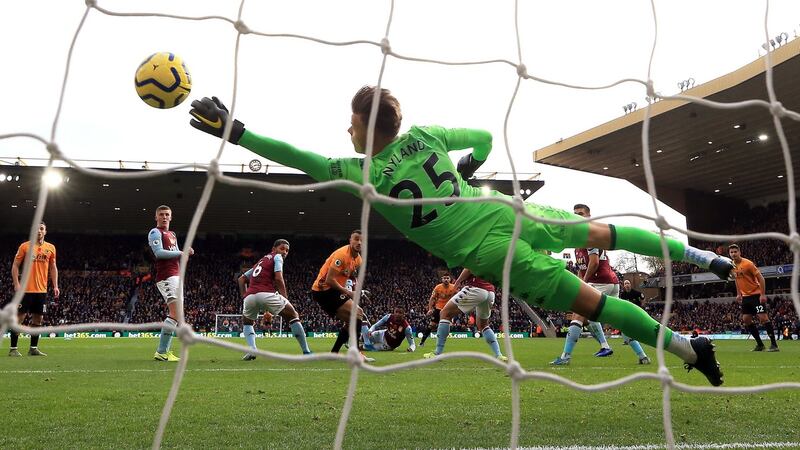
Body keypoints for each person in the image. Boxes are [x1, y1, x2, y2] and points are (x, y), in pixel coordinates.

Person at [188, 87, 734, 385]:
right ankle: (701, 255)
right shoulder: (427, 135)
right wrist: (469, 166)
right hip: (503, 210)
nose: (347, 131)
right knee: (603, 231)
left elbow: (300, 158)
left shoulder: (364, 173)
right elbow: (483, 139)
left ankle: (690, 349)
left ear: (366, 127)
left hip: (489, 252)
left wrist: (236, 131)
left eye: (351, 124)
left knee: (594, 306)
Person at [551, 205, 650, 365]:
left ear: (589, 216)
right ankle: (642, 355)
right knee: (616, 320)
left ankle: (565, 357)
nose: (577, 216)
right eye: (575, 214)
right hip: (610, 282)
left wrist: (583, 282)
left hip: (601, 281)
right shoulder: (579, 239)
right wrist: (580, 280)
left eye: (581, 214)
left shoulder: (589, 234)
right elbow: (583, 269)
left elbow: (594, 262)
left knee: (578, 314)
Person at [237, 239, 312, 360]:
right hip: (266, 293)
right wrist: (285, 298)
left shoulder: (261, 262)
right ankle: (307, 352)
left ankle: (252, 349)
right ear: (274, 249)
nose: (284, 252)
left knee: (247, 322)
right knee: (293, 315)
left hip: (250, 297)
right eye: (282, 248)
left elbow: (241, 279)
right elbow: (278, 278)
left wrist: (245, 297)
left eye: (287, 250)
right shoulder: (277, 257)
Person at [310, 230, 374, 361]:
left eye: (362, 240)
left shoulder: (358, 260)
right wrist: (348, 292)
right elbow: (329, 280)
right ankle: (356, 353)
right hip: (323, 290)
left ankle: (333, 354)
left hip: (332, 291)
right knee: (358, 312)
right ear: (350, 240)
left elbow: (351, 276)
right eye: (356, 239)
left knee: (352, 321)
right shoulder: (342, 255)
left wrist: (357, 290)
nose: (359, 242)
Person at [423, 268, 508, 361]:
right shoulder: (491, 258)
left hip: (476, 287)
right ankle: (498, 354)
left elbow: (469, 268)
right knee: (483, 325)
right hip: (490, 292)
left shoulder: (476, 254)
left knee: (444, 313)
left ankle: (437, 353)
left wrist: (456, 284)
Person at [148, 205, 193, 362]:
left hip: (176, 276)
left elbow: (176, 254)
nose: (164, 217)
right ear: (156, 217)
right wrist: (181, 252)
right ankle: (161, 351)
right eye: (161, 214)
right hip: (166, 276)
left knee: (177, 315)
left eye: (167, 214)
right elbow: (159, 253)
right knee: (174, 314)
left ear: (171, 217)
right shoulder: (155, 232)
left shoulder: (172, 234)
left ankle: (165, 351)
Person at [9, 222, 59, 357]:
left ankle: (33, 348)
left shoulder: (51, 248)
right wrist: (16, 284)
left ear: (45, 231)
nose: (39, 231)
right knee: (19, 318)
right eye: (36, 229)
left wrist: (55, 285)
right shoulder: (25, 246)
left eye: (41, 229)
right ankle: (13, 348)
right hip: (25, 290)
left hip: (41, 291)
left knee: (38, 320)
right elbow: (15, 265)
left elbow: (53, 267)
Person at [728, 244, 778, 352]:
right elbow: (736, 280)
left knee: (763, 318)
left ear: (739, 252)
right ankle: (760, 345)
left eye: (735, 252)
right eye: (731, 252)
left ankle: (774, 345)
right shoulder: (731, 266)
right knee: (746, 320)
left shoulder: (748, 264)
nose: (733, 254)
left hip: (756, 296)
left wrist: (763, 294)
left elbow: (761, 278)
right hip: (746, 298)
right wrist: (738, 294)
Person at [420, 273, 457, 347]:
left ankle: (441, 343)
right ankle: (422, 342)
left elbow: (458, 297)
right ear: (442, 279)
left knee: (444, 325)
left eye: (447, 278)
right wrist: (430, 309)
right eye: (444, 278)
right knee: (431, 325)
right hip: (438, 309)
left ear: (450, 279)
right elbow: (432, 298)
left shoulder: (453, 287)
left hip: (448, 309)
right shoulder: (438, 287)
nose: (446, 280)